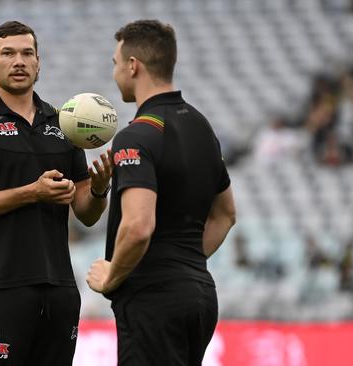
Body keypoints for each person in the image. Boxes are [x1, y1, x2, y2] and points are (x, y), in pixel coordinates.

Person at [0, 21, 112, 365]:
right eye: (8, 53)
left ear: (38, 62)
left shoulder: (64, 123)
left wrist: (98, 187)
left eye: (27, 53)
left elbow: (86, 213)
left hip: (60, 289)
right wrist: (32, 192)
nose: (18, 61)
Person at [86, 20, 236, 366]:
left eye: (115, 63)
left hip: (154, 301)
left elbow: (138, 226)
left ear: (133, 65)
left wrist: (112, 276)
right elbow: (226, 214)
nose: (115, 73)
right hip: (199, 294)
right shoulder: (201, 126)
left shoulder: (135, 136)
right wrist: (184, 264)